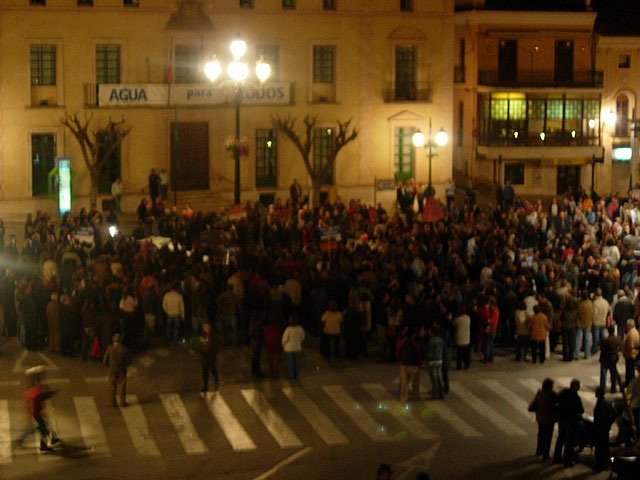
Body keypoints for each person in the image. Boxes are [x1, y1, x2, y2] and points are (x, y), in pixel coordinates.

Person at [13, 366, 60, 452]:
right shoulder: (37, 392)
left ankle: (52, 439)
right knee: (42, 429)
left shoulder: (36, 389)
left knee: (42, 427)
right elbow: (41, 398)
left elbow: (41, 396)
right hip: (36, 414)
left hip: (36, 412)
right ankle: (44, 444)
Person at [553, 379, 584, 467]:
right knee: (569, 441)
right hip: (571, 421)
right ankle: (567, 461)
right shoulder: (575, 396)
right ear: (575, 387)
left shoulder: (563, 393)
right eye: (578, 386)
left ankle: (557, 457)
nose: (579, 388)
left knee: (560, 438)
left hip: (562, 420)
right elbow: (581, 410)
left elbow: (556, 403)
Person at [528, 378, 558, 460]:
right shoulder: (553, 394)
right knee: (548, 436)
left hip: (540, 418)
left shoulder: (540, 393)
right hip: (549, 418)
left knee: (541, 434)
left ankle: (539, 450)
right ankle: (546, 454)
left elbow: (535, 403)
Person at [102, 333, 131, 408]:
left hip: (112, 371)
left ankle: (113, 403)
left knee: (112, 388)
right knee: (122, 388)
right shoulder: (124, 349)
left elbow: (105, 361)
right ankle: (122, 403)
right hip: (122, 371)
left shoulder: (109, 348)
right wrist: (124, 366)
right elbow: (129, 361)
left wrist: (109, 367)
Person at [593, 386, 616, 471]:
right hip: (605, 429)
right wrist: (609, 423)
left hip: (600, 429)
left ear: (598, 393)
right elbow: (614, 414)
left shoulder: (600, 404)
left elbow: (600, 418)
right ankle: (606, 464)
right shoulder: (607, 403)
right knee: (605, 447)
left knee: (599, 449)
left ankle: (599, 465)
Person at [197, 323, 220, 392]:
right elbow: (201, 344)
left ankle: (216, 382)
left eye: (207, 327)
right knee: (205, 371)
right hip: (204, 355)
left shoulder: (213, 336)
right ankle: (205, 386)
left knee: (213, 369)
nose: (206, 329)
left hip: (211, 355)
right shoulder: (202, 335)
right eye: (205, 327)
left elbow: (215, 345)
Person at [282, 314, 305, 380]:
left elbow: (284, 339)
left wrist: (283, 345)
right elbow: (302, 338)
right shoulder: (300, 328)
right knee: (297, 363)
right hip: (297, 347)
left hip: (289, 348)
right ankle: (296, 375)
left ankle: (291, 376)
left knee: (290, 363)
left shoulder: (288, 329)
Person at [424, 327, 445, 400]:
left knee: (434, 379)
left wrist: (427, 361)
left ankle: (434, 395)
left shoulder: (431, 341)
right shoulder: (441, 340)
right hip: (439, 360)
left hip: (432, 361)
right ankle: (441, 393)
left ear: (432, 333)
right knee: (439, 377)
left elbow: (429, 354)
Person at [599, 325, 620, 393]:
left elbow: (600, 345)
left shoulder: (605, 340)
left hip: (605, 359)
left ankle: (603, 388)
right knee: (613, 374)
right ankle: (613, 388)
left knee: (603, 374)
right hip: (613, 359)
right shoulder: (617, 339)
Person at [622, 319, 639, 386]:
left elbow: (630, 345)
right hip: (632, 353)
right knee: (630, 369)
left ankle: (630, 383)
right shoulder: (635, 331)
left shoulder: (632, 333)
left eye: (627, 325)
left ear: (629, 326)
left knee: (630, 370)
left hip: (630, 354)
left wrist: (626, 352)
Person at [626, 362, 640, 432]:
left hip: (636, 405)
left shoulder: (634, 381)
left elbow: (629, 393)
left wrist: (628, 401)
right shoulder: (634, 381)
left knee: (636, 421)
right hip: (636, 405)